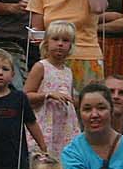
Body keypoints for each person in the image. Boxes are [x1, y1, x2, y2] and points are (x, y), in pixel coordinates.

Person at [25, 20, 82, 156]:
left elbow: (72, 98)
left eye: (66, 40)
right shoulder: (41, 67)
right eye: (55, 39)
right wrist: (48, 95)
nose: (60, 44)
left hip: (64, 126)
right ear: (46, 42)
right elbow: (26, 96)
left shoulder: (68, 71)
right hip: (44, 124)